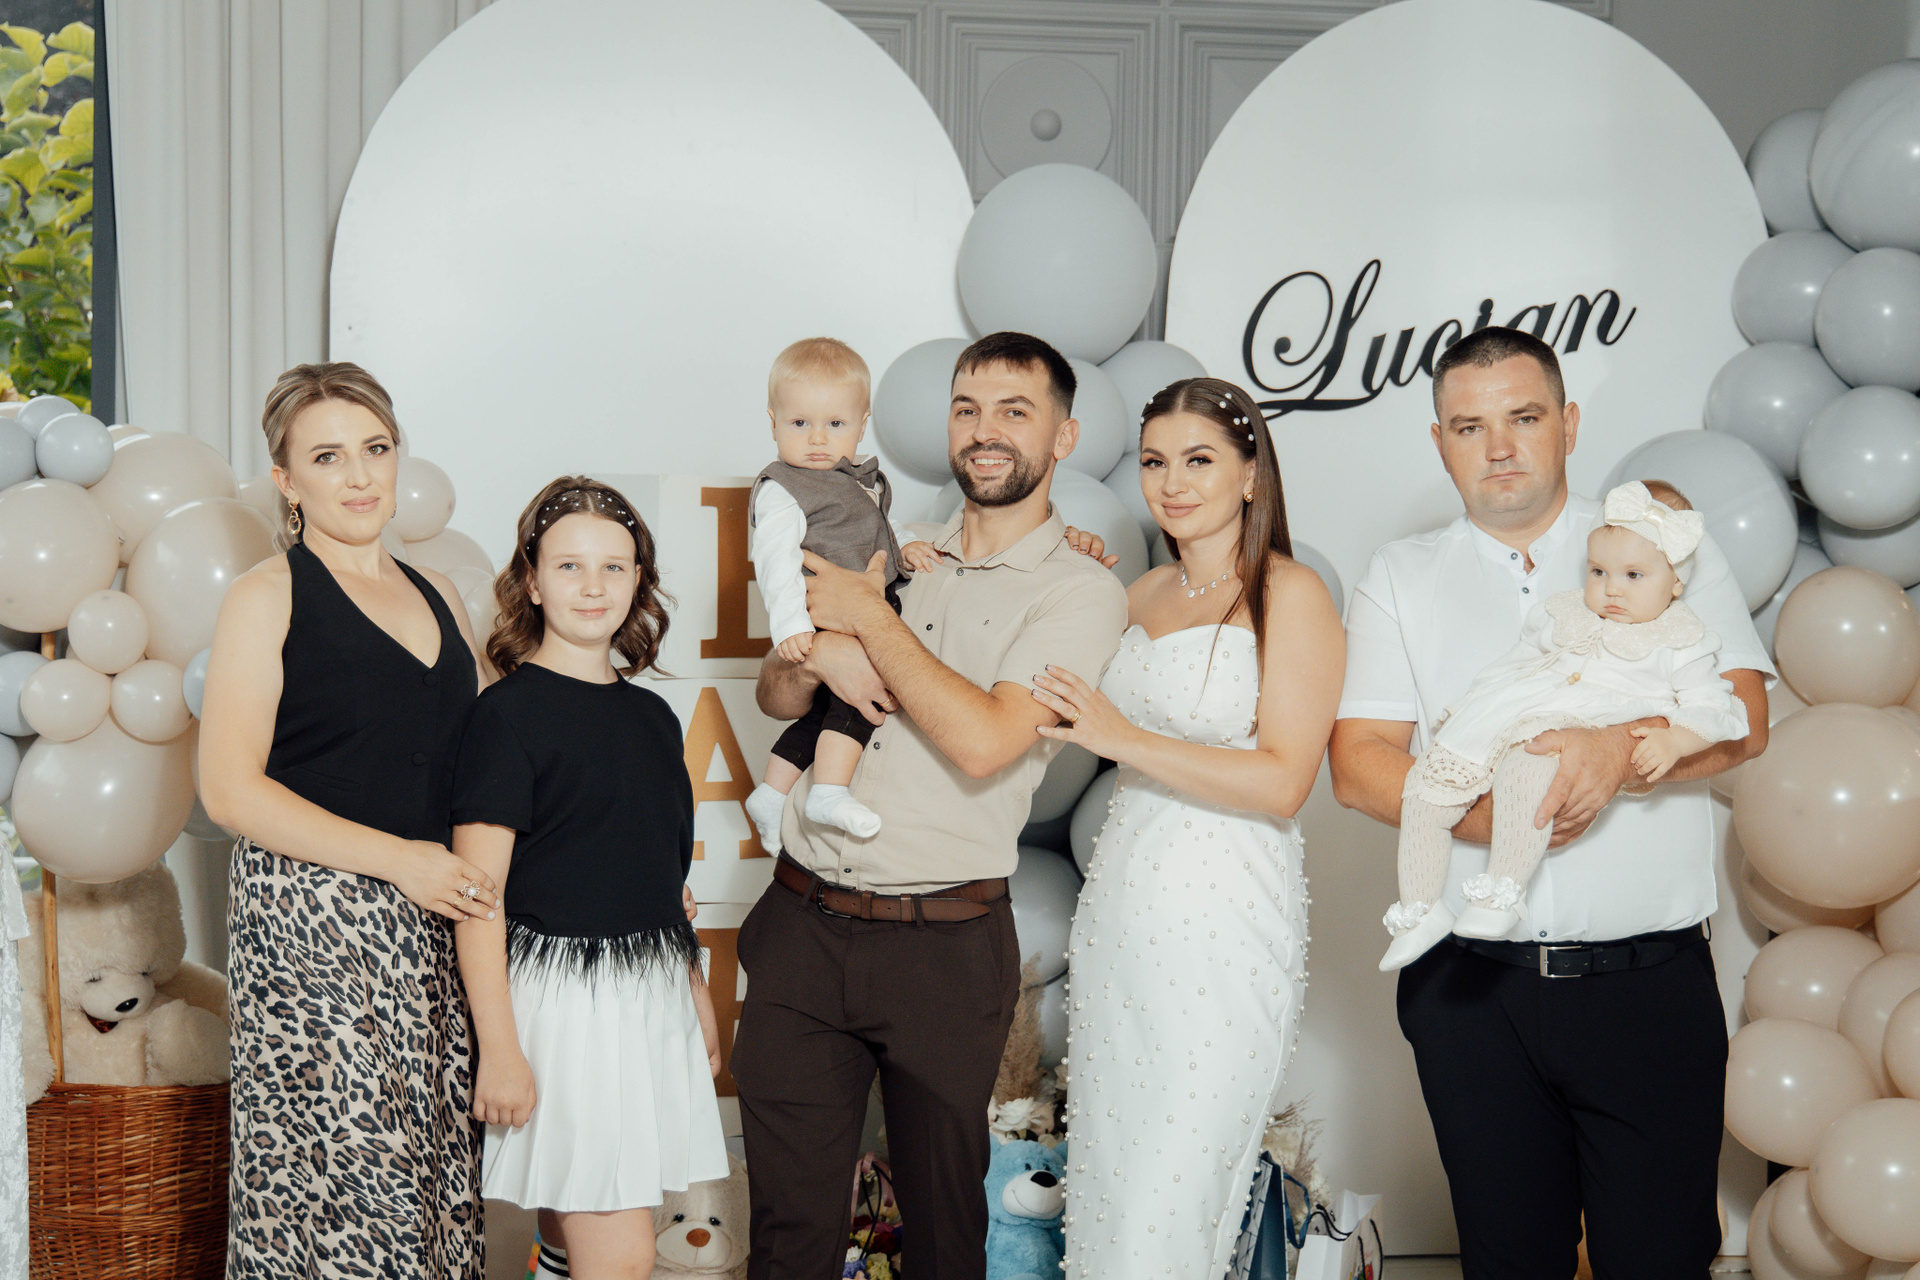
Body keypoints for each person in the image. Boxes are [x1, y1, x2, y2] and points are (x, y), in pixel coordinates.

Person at [1328, 327, 1772, 1279]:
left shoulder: (1661, 544)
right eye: (1469, 427)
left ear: (1568, 425)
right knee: (1507, 1263)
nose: (1499, 448)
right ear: (1439, 442)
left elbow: (1746, 722)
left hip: (1647, 985)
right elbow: (1358, 765)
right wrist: (1507, 820)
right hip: (1470, 993)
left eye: (1524, 418)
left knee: (1659, 1261)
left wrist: (1617, 755)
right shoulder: (1401, 573)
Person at [731, 331, 1129, 1280]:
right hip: (800, 923)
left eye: (1014, 411)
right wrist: (821, 654)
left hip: (942, 948)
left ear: (1064, 437)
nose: (985, 431)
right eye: (967, 409)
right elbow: (778, 695)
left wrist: (868, 619)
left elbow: (987, 740)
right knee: (786, 1235)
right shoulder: (889, 540)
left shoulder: (1081, 589)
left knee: (946, 1237)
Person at [1032, 377, 1343, 1278]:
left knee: (1177, 1191)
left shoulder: (1292, 593)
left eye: (1199, 460)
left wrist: (1123, 738)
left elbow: (1285, 781)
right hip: (1123, 908)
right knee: (1111, 1186)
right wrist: (1060, 567)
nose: (1172, 483)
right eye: (1156, 462)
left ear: (1250, 474)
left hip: (1226, 914)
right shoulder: (1139, 593)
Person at [200, 362, 495, 1278]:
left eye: (376, 448)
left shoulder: (441, 593)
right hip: (311, 927)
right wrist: (400, 861)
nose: (361, 476)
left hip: (435, 926)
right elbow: (229, 791)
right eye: (328, 457)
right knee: (346, 1201)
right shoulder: (267, 595)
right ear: (286, 480)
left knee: (429, 1193)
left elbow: (496, 767)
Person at [449, 476, 729, 1280]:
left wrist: (693, 987)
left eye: (613, 566)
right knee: (624, 1254)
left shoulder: (653, 717)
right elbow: (477, 899)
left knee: (577, 1232)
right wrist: (500, 1049)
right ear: (532, 582)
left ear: (639, 579)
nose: (593, 585)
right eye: (569, 566)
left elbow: (660, 876)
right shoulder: (504, 717)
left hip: (648, 990)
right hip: (564, 1007)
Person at [1379, 480, 1749, 970]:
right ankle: (1420, 908)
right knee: (1425, 791)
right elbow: (1516, 663)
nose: (1612, 588)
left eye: (1634, 575)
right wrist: (1471, 707)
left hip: (1577, 725)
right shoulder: (1566, 613)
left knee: (1526, 774)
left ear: (1676, 582)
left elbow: (1717, 707)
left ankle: (1502, 891)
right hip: (1514, 710)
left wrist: (1676, 739)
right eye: (1599, 571)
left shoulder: (1680, 640)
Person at [741, 338, 939, 850]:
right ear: (773, 422)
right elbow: (774, 562)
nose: (817, 439)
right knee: (862, 697)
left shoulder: (853, 480)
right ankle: (828, 792)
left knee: (824, 711)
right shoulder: (783, 488)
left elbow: (876, 525)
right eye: (799, 423)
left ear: (861, 423)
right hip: (831, 613)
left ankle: (771, 793)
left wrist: (905, 544)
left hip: (865, 605)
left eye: (835, 424)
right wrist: (790, 626)